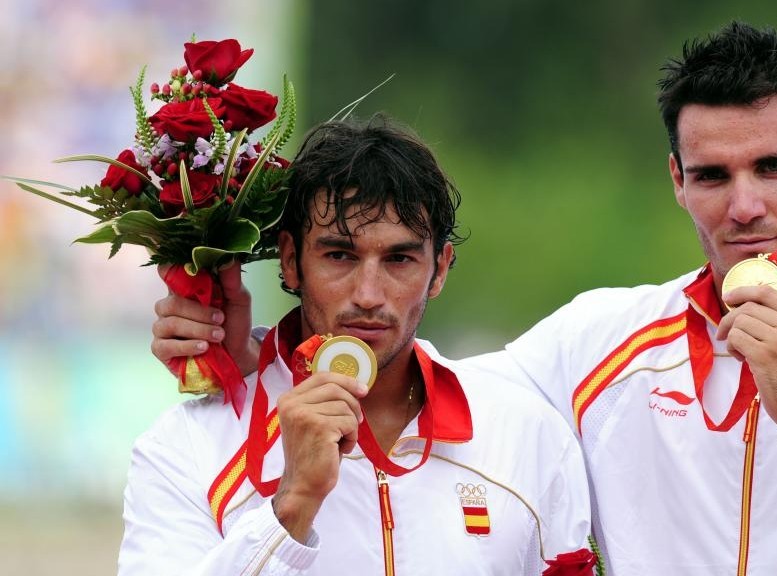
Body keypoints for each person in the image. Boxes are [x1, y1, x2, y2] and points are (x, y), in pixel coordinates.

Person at [151, 22, 777, 575]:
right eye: (712, 174)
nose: (744, 206)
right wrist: (244, 345)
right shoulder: (602, 341)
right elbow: (415, 379)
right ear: (676, 180)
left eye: (773, 167)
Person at [121, 117, 595, 575]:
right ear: (290, 261)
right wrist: (293, 504)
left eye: (399, 259)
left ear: (439, 269)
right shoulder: (185, 448)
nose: (368, 295)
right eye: (340, 255)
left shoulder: (527, 436)